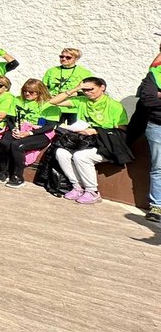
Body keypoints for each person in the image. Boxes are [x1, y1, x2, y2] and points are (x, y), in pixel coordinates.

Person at [48, 77, 130, 204]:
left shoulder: (115, 106)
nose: (87, 92)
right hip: (83, 141)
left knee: (81, 156)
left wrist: (96, 131)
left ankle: (93, 192)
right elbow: (53, 101)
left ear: (102, 87)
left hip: (105, 144)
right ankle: (77, 187)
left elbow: (122, 130)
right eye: (84, 90)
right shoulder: (82, 101)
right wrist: (76, 89)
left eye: (90, 89)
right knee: (61, 152)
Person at [0, 79, 61, 187]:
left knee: (17, 145)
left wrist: (30, 133)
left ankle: (18, 176)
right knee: (5, 142)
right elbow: (10, 118)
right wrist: (13, 128)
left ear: (40, 92)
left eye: (31, 92)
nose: (27, 94)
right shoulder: (17, 100)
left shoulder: (49, 105)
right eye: (25, 91)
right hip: (19, 128)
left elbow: (50, 126)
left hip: (40, 133)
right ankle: (4, 171)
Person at [129, 43, 161, 221]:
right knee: (159, 167)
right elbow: (149, 100)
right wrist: (155, 96)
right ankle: (157, 206)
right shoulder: (155, 74)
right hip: (157, 125)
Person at [42, 47, 92, 125]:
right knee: (52, 133)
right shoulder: (51, 71)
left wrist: (74, 93)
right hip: (54, 108)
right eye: (61, 56)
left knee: (72, 134)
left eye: (68, 57)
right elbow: (43, 89)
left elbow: (90, 91)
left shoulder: (85, 73)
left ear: (76, 59)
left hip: (73, 108)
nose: (64, 59)